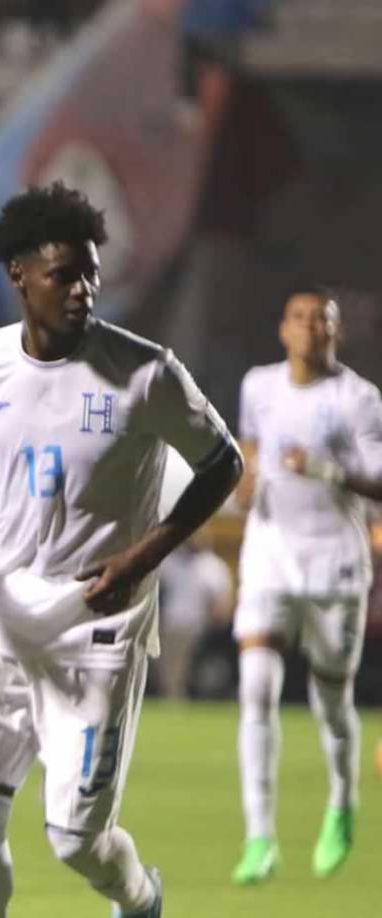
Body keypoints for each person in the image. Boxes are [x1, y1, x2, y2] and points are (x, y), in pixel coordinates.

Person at [0, 182, 242, 918]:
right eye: (63, 274)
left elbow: (223, 463)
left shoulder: (145, 372)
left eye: (90, 274)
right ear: (20, 276)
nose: (82, 289)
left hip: (100, 620)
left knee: (74, 840)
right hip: (5, 612)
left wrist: (140, 559)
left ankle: (138, 897)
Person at [230, 287, 382, 885]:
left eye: (322, 320)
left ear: (336, 332)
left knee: (332, 701)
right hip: (270, 552)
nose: (310, 327)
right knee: (255, 689)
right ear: (283, 329)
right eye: (300, 318)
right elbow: (249, 455)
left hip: (334, 561)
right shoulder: (258, 386)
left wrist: (325, 470)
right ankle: (258, 836)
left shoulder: (358, 398)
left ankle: (342, 801)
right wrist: (244, 486)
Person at [154, 527, 234, 699]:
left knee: (183, 667)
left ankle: (176, 696)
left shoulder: (213, 565)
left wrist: (218, 619)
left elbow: (222, 597)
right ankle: (172, 696)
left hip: (197, 625)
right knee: (168, 666)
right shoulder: (172, 562)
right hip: (170, 622)